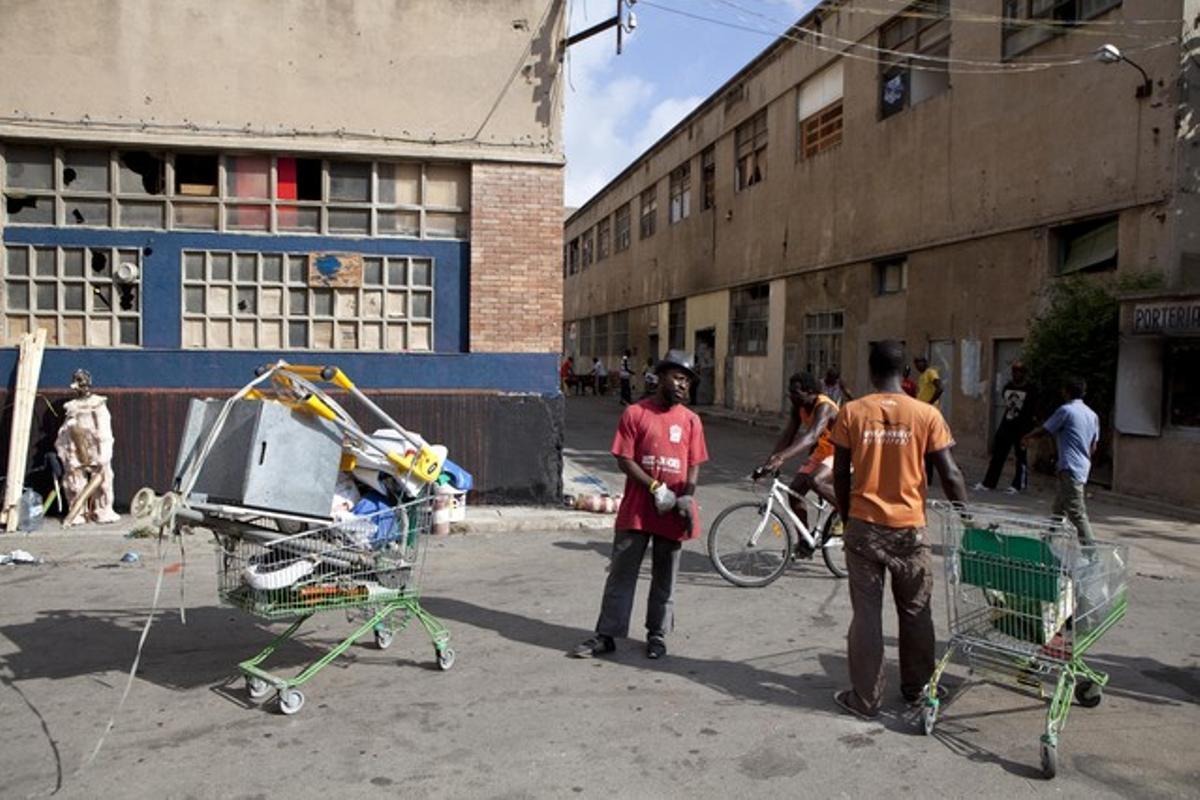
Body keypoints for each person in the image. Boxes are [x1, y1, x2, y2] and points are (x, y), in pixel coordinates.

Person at [829, 340, 967, 720]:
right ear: (904, 372)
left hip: (864, 529)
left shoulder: (852, 412)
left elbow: (840, 472)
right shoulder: (926, 414)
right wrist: (966, 519)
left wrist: (846, 513)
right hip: (910, 531)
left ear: (871, 371)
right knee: (916, 610)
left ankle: (865, 699)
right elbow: (950, 474)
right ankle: (918, 691)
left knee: (867, 615)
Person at [572, 350, 709, 661]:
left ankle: (657, 635)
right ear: (660, 377)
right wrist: (655, 487)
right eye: (677, 377)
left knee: (665, 576)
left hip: (673, 512)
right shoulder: (636, 413)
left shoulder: (691, 421)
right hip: (637, 510)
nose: (682, 385)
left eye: (687, 380)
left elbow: (694, 463)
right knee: (621, 573)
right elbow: (624, 458)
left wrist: (687, 495)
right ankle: (606, 634)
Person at [759, 372, 838, 539]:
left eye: (795, 392)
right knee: (795, 491)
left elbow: (812, 436)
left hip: (843, 451)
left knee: (816, 480)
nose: (790, 395)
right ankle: (804, 539)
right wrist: (768, 463)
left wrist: (781, 457)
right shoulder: (799, 407)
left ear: (809, 391)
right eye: (790, 391)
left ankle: (851, 515)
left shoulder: (824, 406)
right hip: (823, 452)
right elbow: (788, 435)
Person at [1022, 375, 1100, 545]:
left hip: (1070, 466)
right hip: (1082, 466)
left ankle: (1091, 551)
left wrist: (1028, 437)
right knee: (1059, 508)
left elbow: (1046, 429)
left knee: (1076, 511)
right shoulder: (1092, 415)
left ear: (1066, 392)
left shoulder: (1066, 411)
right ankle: (1047, 541)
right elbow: (1093, 446)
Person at [975, 361, 1037, 494]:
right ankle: (989, 482)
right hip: (1007, 424)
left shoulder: (1030, 389)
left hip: (1022, 428)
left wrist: (1029, 431)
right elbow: (1007, 403)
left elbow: (1032, 410)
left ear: (1024, 373)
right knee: (998, 455)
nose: (1016, 374)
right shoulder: (1008, 387)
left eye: (1019, 371)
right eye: (1014, 371)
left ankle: (1018, 484)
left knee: (1020, 457)